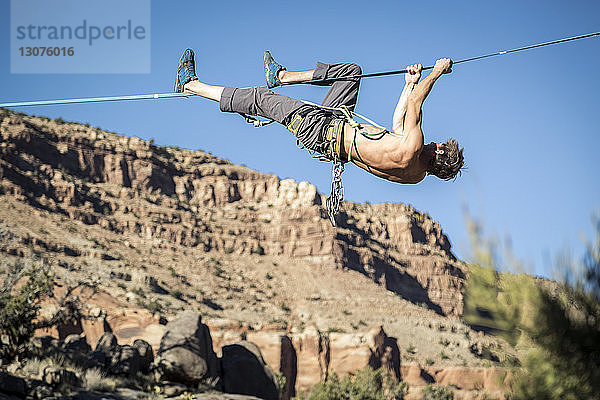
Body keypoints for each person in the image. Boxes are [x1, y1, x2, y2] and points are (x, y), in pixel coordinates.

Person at [174, 49, 464, 185]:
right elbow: (399, 124)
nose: (434, 143)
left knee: (260, 100)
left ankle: (190, 84)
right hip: (336, 126)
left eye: (438, 145)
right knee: (352, 72)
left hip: (321, 130)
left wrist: (437, 71)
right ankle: (283, 76)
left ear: (438, 153)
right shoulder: (414, 175)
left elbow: (414, 106)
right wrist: (409, 83)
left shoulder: (414, 149)